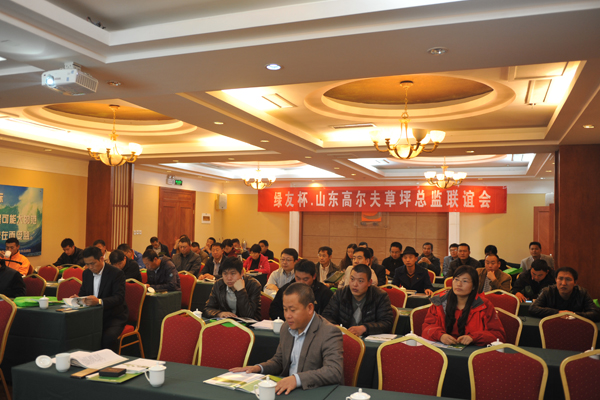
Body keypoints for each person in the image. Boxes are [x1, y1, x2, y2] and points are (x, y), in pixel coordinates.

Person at [230, 283, 344, 394]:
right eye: (285, 309)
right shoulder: (286, 327)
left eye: (293, 310)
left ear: (310, 308)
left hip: (315, 392)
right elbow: (279, 361)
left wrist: (296, 379)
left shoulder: (328, 332)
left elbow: (334, 371)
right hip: (288, 391)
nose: (287, 315)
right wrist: (258, 368)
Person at [422, 265, 506, 346]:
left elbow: (498, 335)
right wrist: (440, 336)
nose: (459, 284)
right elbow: (426, 328)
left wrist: (474, 338)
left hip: (474, 352)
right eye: (456, 279)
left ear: (474, 286)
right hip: (443, 350)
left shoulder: (484, 305)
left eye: (465, 281)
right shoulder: (439, 302)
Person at [77, 246, 128, 350]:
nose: (90, 267)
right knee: (77, 333)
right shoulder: (86, 273)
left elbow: (119, 298)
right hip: (92, 316)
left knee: (107, 338)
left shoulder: (116, 273)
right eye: (87, 264)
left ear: (101, 259)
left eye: (92, 263)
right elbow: (83, 293)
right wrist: (78, 298)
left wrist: (99, 301)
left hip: (113, 316)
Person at [323, 264, 394, 336]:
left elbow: (387, 323)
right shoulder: (340, 293)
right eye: (352, 279)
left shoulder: (380, 296)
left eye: (360, 281)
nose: (355, 284)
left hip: (368, 338)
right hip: (343, 337)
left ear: (369, 282)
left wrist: (365, 328)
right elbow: (327, 316)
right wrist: (335, 326)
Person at [529, 267, 600, 322]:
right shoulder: (547, 291)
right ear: (556, 280)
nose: (563, 283)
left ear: (575, 282)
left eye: (568, 279)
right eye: (560, 279)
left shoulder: (582, 293)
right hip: (552, 326)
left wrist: (573, 315)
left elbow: (596, 313)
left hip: (575, 327)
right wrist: (558, 313)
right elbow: (533, 308)